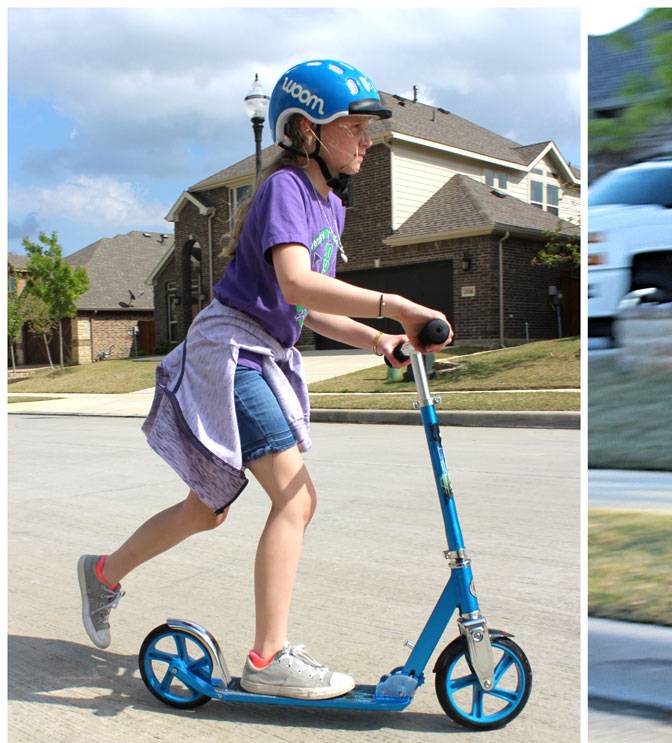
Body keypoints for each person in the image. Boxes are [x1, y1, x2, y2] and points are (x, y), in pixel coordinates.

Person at [77, 59, 453, 699]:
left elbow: (310, 308)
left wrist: (379, 339)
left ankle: (104, 574)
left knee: (208, 508)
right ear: (307, 129)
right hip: (232, 352)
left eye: (369, 129)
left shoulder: (328, 205)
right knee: (297, 498)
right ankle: (267, 658)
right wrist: (399, 305)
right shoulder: (287, 188)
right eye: (354, 127)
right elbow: (295, 282)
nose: (366, 140)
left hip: (261, 354)